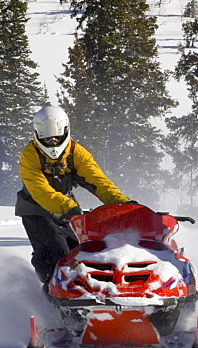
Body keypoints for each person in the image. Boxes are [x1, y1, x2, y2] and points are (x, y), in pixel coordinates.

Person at [15, 106, 131, 283]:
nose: (52, 142)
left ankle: (90, 287)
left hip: (66, 209)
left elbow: (98, 181)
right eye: (47, 139)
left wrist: (124, 204)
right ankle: (51, 290)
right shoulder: (29, 155)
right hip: (35, 209)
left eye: (56, 137)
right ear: (37, 134)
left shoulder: (76, 152)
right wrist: (70, 209)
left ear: (65, 132)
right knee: (56, 249)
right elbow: (41, 191)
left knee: (81, 248)